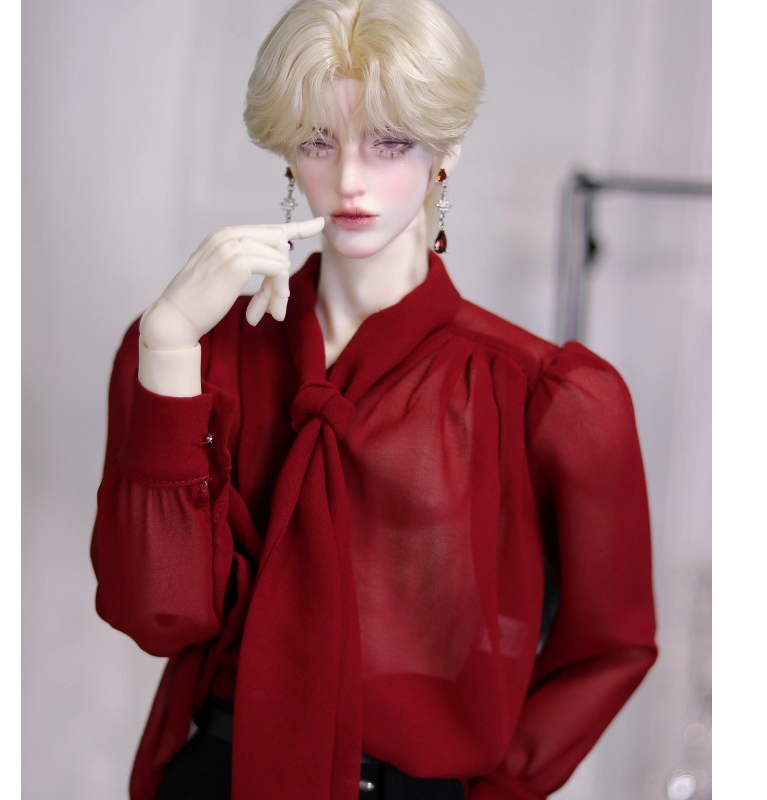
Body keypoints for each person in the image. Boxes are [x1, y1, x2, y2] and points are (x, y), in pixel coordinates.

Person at [91, 1, 657, 798]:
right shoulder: (199, 356)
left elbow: (610, 644)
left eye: (390, 143)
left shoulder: (542, 398)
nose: (351, 180)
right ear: (288, 154)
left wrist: (493, 793)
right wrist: (168, 342)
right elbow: (158, 615)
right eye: (319, 141)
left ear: (445, 152)